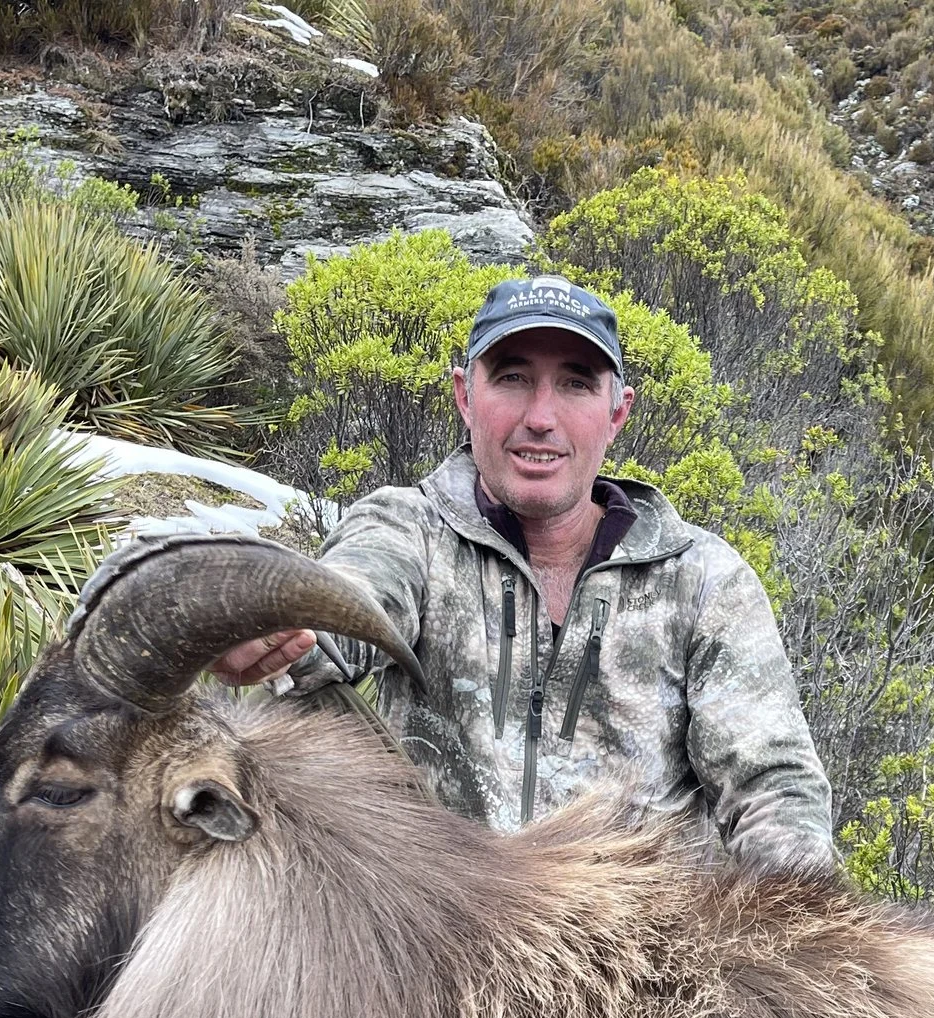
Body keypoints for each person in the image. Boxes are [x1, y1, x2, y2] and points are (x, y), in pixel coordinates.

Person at [213, 275, 838, 874]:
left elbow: (774, 786)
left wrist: (805, 927)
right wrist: (270, 623)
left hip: (648, 965)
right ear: (464, 395)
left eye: (575, 384)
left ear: (617, 413)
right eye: (512, 378)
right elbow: (345, 601)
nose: (541, 417)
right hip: (442, 940)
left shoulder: (701, 580)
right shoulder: (411, 530)